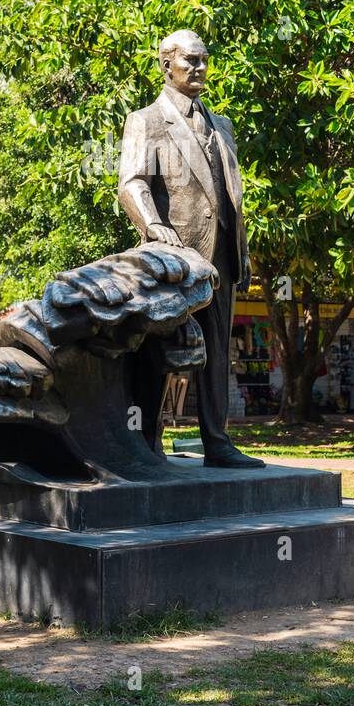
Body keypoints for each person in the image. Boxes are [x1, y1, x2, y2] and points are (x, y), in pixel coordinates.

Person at [118, 29, 264, 469]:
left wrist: (241, 250)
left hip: (221, 257)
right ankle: (146, 442)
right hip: (175, 257)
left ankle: (217, 443)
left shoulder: (223, 126)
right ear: (167, 66)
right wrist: (154, 226)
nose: (199, 67)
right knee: (158, 349)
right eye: (189, 61)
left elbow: (230, 199)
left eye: (204, 60)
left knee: (216, 353)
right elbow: (132, 184)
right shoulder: (146, 120)